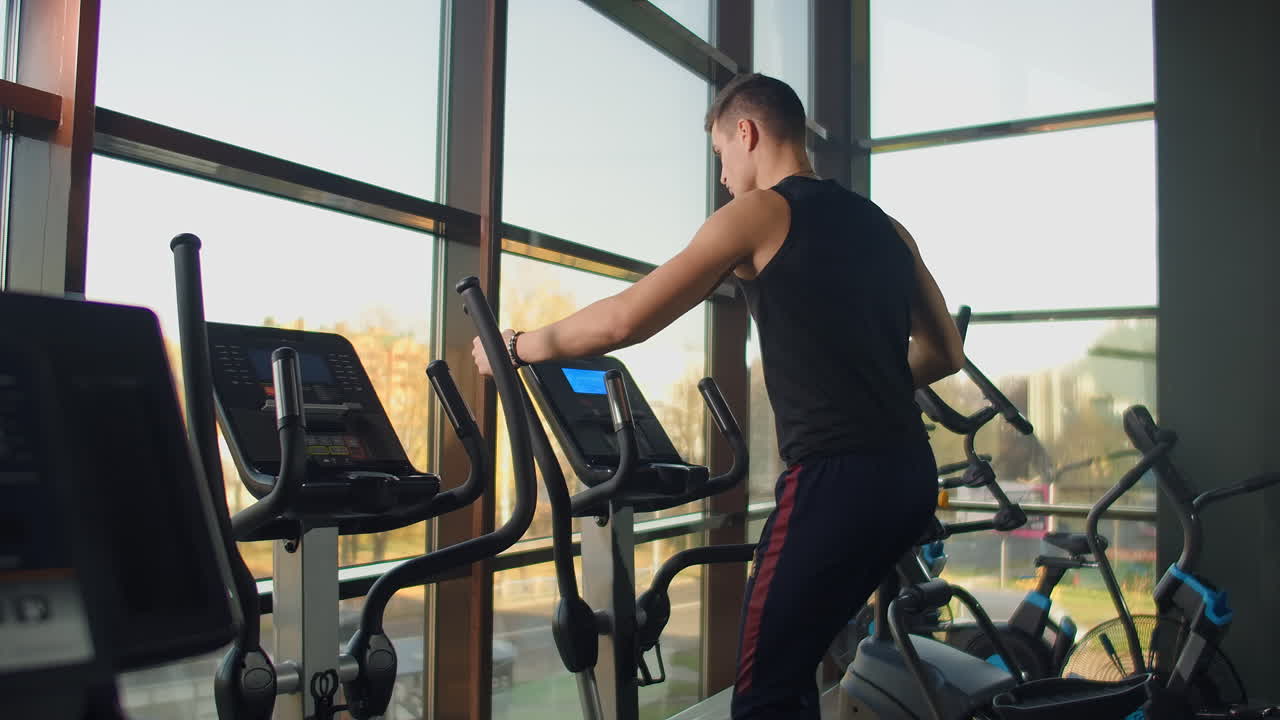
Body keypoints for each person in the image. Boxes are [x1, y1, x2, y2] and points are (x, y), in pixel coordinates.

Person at [473, 73, 964, 720]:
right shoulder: (889, 228)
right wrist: (864, 380)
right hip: (909, 475)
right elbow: (945, 352)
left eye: (721, 156)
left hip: (834, 480)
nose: (724, 177)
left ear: (747, 132)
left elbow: (626, 320)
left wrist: (516, 346)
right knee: (796, 665)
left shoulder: (761, 213)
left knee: (763, 694)